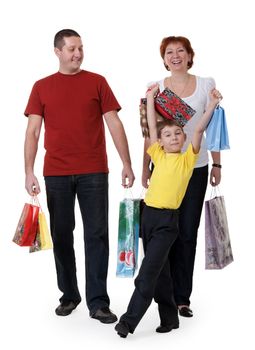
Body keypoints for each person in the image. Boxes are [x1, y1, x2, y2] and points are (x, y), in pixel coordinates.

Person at [24, 29, 135, 323]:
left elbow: (114, 123)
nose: (78, 53)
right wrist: (28, 171)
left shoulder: (97, 82)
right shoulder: (41, 87)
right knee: (61, 235)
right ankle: (70, 295)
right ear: (58, 51)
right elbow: (33, 132)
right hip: (56, 173)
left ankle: (98, 302)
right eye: (72, 48)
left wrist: (127, 163)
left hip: (94, 171)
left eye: (81, 48)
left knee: (97, 235)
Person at [115, 83, 222, 338]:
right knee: (161, 273)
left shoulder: (187, 160)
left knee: (147, 273)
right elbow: (152, 127)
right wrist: (151, 98)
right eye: (168, 135)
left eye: (177, 134)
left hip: (166, 223)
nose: (173, 137)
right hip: (147, 216)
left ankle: (128, 322)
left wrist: (212, 105)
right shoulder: (159, 155)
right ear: (160, 142)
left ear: (183, 139)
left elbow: (198, 128)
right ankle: (169, 318)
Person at [142, 36, 222, 318]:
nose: (175, 56)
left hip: (196, 168)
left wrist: (217, 165)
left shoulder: (206, 85)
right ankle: (162, 295)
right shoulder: (157, 89)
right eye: (169, 52)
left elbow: (211, 129)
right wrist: (144, 169)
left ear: (190, 55)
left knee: (187, 233)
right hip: (164, 170)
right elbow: (149, 133)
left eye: (181, 51)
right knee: (163, 235)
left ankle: (181, 298)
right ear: (164, 59)